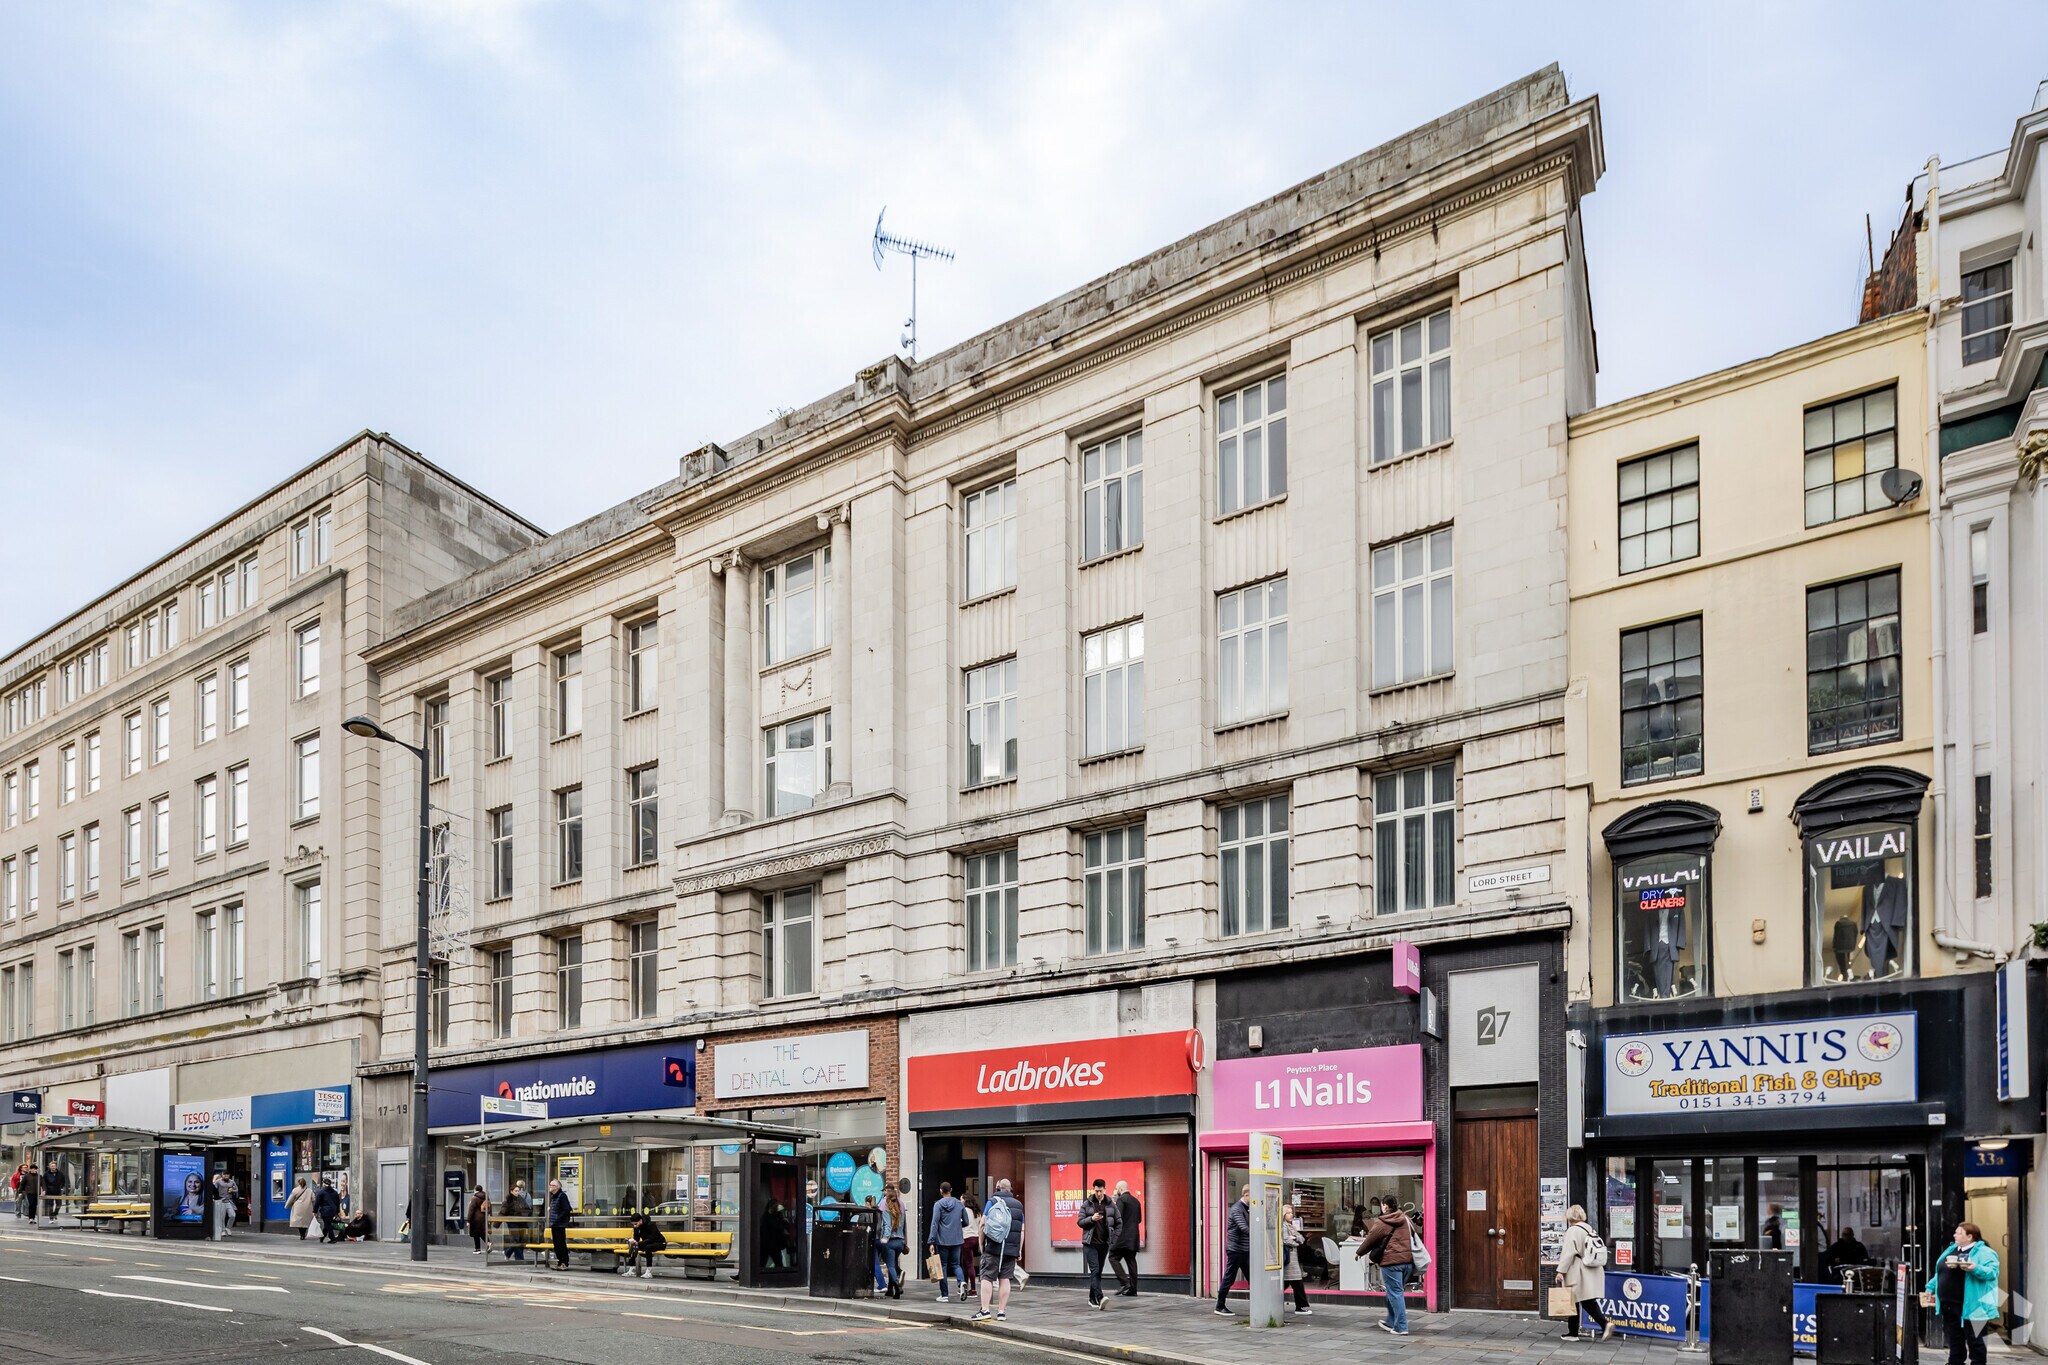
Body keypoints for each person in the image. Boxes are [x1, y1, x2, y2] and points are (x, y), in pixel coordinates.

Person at [1926, 1221, 2000, 1365]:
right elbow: (1940, 1272)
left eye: (1958, 1233)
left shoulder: (1985, 1252)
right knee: (1955, 1338)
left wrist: (1975, 1268)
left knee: (1976, 1340)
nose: (1954, 1235)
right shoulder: (1952, 1250)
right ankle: (1955, 1362)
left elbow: (1992, 1273)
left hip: (1975, 1305)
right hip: (1950, 1303)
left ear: (1970, 1236)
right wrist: (1930, 1287)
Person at [1360, 1192, 1416, 1335]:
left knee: (1395, 1293)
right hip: (1408, 1262)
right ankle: (1391, 1321)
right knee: (1394, 1292)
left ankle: (1401, 1327)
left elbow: (1370, 1239)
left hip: (1392, 1263)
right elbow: (1414, 1235)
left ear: (1385, 1206)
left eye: (1382, 1205)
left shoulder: (1382, 1222)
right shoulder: (1406, 1219)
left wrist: (1359, 1252)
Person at [1556, 1204, 1614, 1341]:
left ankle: (1603, 1324)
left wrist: (1560, 1271)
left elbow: (1568, 1253)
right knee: (1580, 1300)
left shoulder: (1573, 1231)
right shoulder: (1589, 1228)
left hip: (1578, 1271)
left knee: (1578, 1300)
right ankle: (1573, 1332)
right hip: (1591, 1269)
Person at [971, 1178, 1025, 1323]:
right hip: (1011, 1248)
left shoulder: (992, 1202)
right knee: (1005, 1278)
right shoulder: (1018, 1205)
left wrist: (981, 1244)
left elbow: (983, 1224)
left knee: (987, 1277)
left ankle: (985, 1310)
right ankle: (1001, 1312)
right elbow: (1022, 1230)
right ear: (1010, 1189)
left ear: (998, 1188)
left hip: (993, 1246)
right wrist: (1019, 1249)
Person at [1077, 1178, 1117, 1310]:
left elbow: (1119, 1222)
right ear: (1093, 1190)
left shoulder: (1110, 1204)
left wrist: (1114, 1239)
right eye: (1096, 1191)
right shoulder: (1087, 1204)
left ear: (1105, 1189)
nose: (1098, 1193)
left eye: (1100, 1191)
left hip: (1103, 1244)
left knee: (1098, 1272)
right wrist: (1091, 1219)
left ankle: (1091, 1298)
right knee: (1095, 1270)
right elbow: (1080, 1222)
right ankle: (1100, 1298)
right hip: (1090, 1243)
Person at [1214, 1185, 1253, 1316]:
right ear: (1246, 1195)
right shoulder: (1237, 1209)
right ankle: (1219, 1306)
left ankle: (1259, 1305)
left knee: (1253, 1278)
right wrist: (1260, 1234)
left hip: (1244, 1249)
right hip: (1236, 1250)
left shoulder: (1247, 1208)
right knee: (1229, 1278)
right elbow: (1244, 1228)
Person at [927, 1181, 966, 1303]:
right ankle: (961, 1282)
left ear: (941, 1191)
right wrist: (957, 1226)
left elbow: (934, 1223)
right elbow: (966, 1221)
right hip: (956, 1239)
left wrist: (931, 1241)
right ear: (951, 1190)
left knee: (942, 1266)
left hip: (942, 1240)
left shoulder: (938, 1205)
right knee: (956, 1264)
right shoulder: (959, 1204)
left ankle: (944, 1295)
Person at [1110, 1179, 1142, 1297]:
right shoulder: (1136, 1201)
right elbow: (1139, 1219)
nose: (1116, 1191)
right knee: (1131, 1261)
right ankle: (1133, 1289)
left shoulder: (1121, 1200)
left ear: (1120, 1189)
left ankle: (1124, 1283)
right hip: (1134, 1237)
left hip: (1122, 1237)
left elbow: (1118, 1219)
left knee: (1113, 1257)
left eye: (1117, 1189)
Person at [1281, 1205, 1313, 1314]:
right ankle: (1300, 1306)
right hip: (1289, 1259)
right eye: (1288, 1213)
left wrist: (1294, 1238)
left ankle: (1300, 1306)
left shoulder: (1291, 1226)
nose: (1291, 1215)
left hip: (1292, 1258)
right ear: (1284, 1214)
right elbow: (1285, 1240)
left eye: (1291, 1213)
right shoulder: (1283, 1226)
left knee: (1289, 1283)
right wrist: (1296, 1243)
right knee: (1297, 1282)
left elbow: (1301, 1238)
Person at [879, 1190, 908, 1298]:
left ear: (887, 1198)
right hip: (900, 1241)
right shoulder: (901, 1209)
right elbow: (904, 1226)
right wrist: (905, 1242)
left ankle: (897, 1285)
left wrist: (884, 1238)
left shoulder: (887, 1210)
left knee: (891, 1266)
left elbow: (887, 1226)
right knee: (894, 1263)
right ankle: (892, 1291)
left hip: (890, 1241)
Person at [620, 1211, 666, 1279]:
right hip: (648, 1242)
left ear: (640, 1220)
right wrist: (633, 1241)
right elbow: (637, 1238)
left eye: (636, 1224)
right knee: (633, 1246)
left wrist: (639, 1243)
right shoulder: (637, 1227)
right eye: (633, 1224)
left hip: (660, 1243)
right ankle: (631, 1269)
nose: (635, 1225)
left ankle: (649, 1271)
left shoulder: (650, 1225)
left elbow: (651, 1238)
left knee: (648, 1248)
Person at [544, 1177, 573, 1270]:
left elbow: (566, 1209)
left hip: (560, 1224)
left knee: (561, 1244)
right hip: (555, 1224)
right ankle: (560, 1262)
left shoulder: (562, 1196)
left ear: (556, 1187)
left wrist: (558, 1218)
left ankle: (564, 1262)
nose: (550, 1187)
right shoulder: (554, 1196)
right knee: (556, 1244)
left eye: (551, 1185)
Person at [502, 1181, 531, 1262]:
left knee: (519, 1240)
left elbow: (527, 1209)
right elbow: (503, 1211)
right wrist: (496, 1223)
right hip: (512, 1223)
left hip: (522, 1222)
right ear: (511, 1191)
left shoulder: (521, 1199)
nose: (517, 1192)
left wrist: (526, 1216)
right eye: (516, 1191)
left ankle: (507, 1253)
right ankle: (519, 1258)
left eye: (518, 1191)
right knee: (516, 1240)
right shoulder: (508, 1200)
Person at [962, 1187, 982, 1297]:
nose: (960, 1201)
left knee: (969, 1264)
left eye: (961, 1199)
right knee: (965, 1263)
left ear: (965, 1200)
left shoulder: (964, 1210)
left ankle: (973, 1289)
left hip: (966, 1238)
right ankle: (965, 1287)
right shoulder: (977, 1212)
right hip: (975, 1238)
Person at [312, 1177, 341, 1242]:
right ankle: (322, 1237)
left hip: (325, 1211)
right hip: (333, 1211)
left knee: (328, 1224)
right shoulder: (335, 1192)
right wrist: (337, 1211)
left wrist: (314, 1211)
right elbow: (338, 1202)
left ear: (324, 1184)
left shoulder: (321, 1192)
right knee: (327, 1224)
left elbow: (317, 1202)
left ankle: (332, 1238)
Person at [465, 1187, 491, 1254]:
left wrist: (468, 1220)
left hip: (476, 1219)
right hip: (484, 1218)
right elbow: (489, 1208)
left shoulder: (475, 1198)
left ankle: (477, 1249)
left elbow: (471, 1210)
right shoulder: (486, 1197)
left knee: (475, 1233)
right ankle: (489, 1243)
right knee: (482, 1233)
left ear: (475, 1190)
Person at [43, 1159, 68, 1226]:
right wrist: (44, 1190)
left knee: (59, 1204)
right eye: (52, 1166)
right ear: (49, 1167)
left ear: (56, 1166)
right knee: (50, 1205)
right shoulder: (46, 1174)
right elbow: (43, 1182)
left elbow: (63, 1181)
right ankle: (51, 1218)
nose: (53, 1167)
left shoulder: (60, 1173)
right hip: (49, 1191)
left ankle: (55, 1214)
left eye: (54, 1166)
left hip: (58, 1190)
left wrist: (62, 1188)